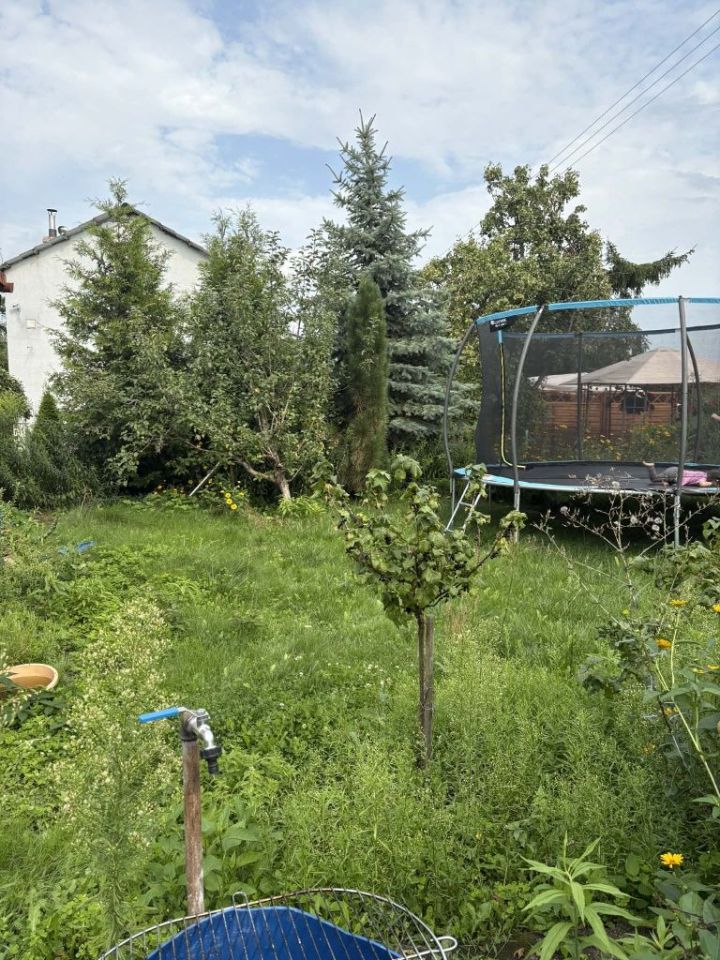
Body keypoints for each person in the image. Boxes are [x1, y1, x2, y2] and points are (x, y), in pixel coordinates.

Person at [643, 462, 720, 486]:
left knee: (663, 481)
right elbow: (702, 484)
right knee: (654, 478)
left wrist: (670, 483)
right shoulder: (702, 478)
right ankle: (651, 467)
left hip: (675, 471)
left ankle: (668, 481)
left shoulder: (702, 474)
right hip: (674, 474)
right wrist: (712, 483)